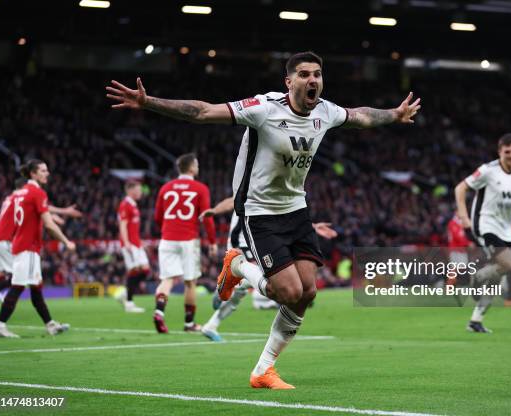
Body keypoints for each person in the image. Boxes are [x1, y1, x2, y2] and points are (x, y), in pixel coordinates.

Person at [106, 50, 420, 389]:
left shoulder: (326, 111)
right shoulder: (264, 108)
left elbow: (363, 117)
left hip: (297, 208)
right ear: (289, 81)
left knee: (307, 293)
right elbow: (202, 111)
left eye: (317, 74)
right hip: (259, 211)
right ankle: (238, 266)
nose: (312, 80)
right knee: (287, 291)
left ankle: (263, 370)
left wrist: (395, 114)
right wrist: (148, 101)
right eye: (303, 74)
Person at [198, 196, 337, 342]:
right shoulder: (254, 184)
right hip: (242, 238)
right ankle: (227, 284)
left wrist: (311, 226)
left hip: (259, 238)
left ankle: (212, 323)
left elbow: (281, 215)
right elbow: (234, 199)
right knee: (265, 277)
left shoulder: (272, 190)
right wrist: (215, 210)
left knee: (241, 290)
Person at [455, 134, 511, 333]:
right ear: (500, 152)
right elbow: (460, 188)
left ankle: (475, 321)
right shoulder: (488, 171)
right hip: (485, 225)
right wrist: (464, 218)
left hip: (505, 230)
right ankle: (479, 276)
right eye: (507, 152)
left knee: (497, 279)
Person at [0, 160, 76, 338]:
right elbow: (49, 225)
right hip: (27, 247)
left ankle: (50, 324)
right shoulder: (37, 192)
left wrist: (55, 214)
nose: (48, 173)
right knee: (18, 286)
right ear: (33, 174)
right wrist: (66, 241)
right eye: (43, 171)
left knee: (36, 288)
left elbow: (31, 213)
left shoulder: (18, 195)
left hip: (20, 244)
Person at [152, 153, 217, 333]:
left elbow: (158, 217)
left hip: (167, 239)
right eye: (196, 164)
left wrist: (168, 230)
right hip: (188, 240)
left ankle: (159, 312)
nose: (198, 167)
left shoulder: (165, 188)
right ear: (190, 168)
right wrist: (212, 241)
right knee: (190, 282)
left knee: (167, 280)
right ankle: (189, 323)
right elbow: (207, 218)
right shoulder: (200, 188)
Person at [115, 181, 149, 313]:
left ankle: (125, 293)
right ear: (130, 190)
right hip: (129, 244)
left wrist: (140, 241)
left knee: (145, 270)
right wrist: (126, 242)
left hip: (137, 243)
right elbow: (122, 225)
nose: (140, 192)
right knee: (134, 270)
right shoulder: (125, 204)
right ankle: (129, 303)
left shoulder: (134, 205)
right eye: (138, 189)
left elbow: (133, 227)